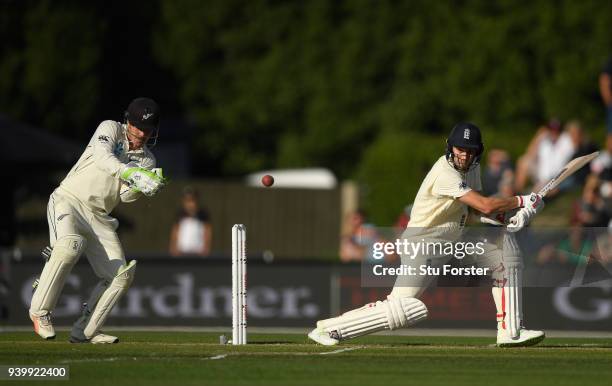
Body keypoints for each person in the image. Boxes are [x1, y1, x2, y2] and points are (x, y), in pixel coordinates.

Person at [308, 122, 545, 347]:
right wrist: (524, 200)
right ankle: (329, 329)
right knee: (404, 308)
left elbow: (474, 210)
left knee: (505, 256)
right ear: (449, 146)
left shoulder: (472, 168)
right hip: (423, 245)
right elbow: (485, 205)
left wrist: (508, 218)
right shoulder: (445, 173)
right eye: (460, 149)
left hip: (452, 241)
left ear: (477, 152)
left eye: (470, 151)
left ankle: (510, 332)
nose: (464, 155)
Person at [29, 97, 166, 344]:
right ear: (128, 122)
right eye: (138, 127)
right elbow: (104, 159)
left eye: (148, 130)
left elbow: (125, 196)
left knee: (120, 276)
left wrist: (142, 187)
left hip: (99, 216)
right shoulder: (109, 129)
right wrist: (130, 172)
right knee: (70, 246)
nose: (142, 134)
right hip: (69, 199)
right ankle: (40, 311)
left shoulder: (147, 160)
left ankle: (85, 330)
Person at [169, 187, 212, 257]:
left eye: (192, 200)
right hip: (181, 252)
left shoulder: (203, 215)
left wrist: (206, 248)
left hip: (198, 253)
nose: (190, 204)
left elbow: (207, 231)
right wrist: (173, 247)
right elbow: (175, 231)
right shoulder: (180, 214)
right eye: (187, 201)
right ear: (183, 202)